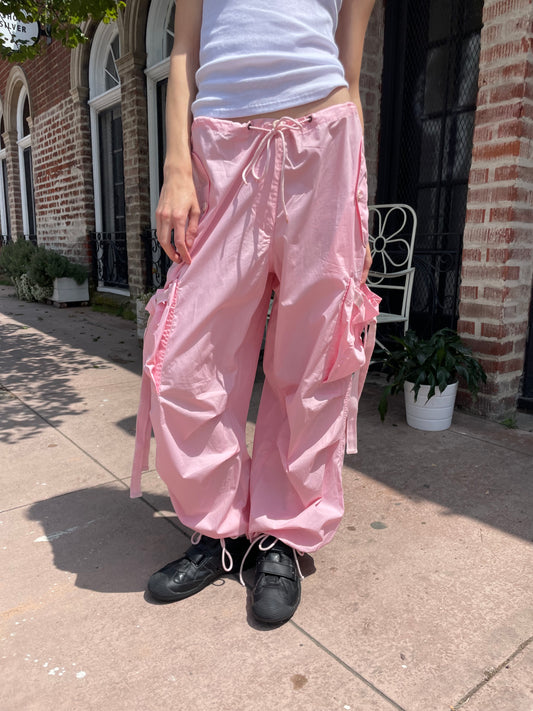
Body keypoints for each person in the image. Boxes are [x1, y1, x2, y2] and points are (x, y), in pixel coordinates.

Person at [131, 0, 379, 625]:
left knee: (316, 354)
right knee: (184, 355)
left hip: (323, 140)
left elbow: (352, 42)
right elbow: (183, 47)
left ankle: (280, 534)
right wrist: (176, 165)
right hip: (219, 150)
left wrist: (351, 150)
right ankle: (215, 530)